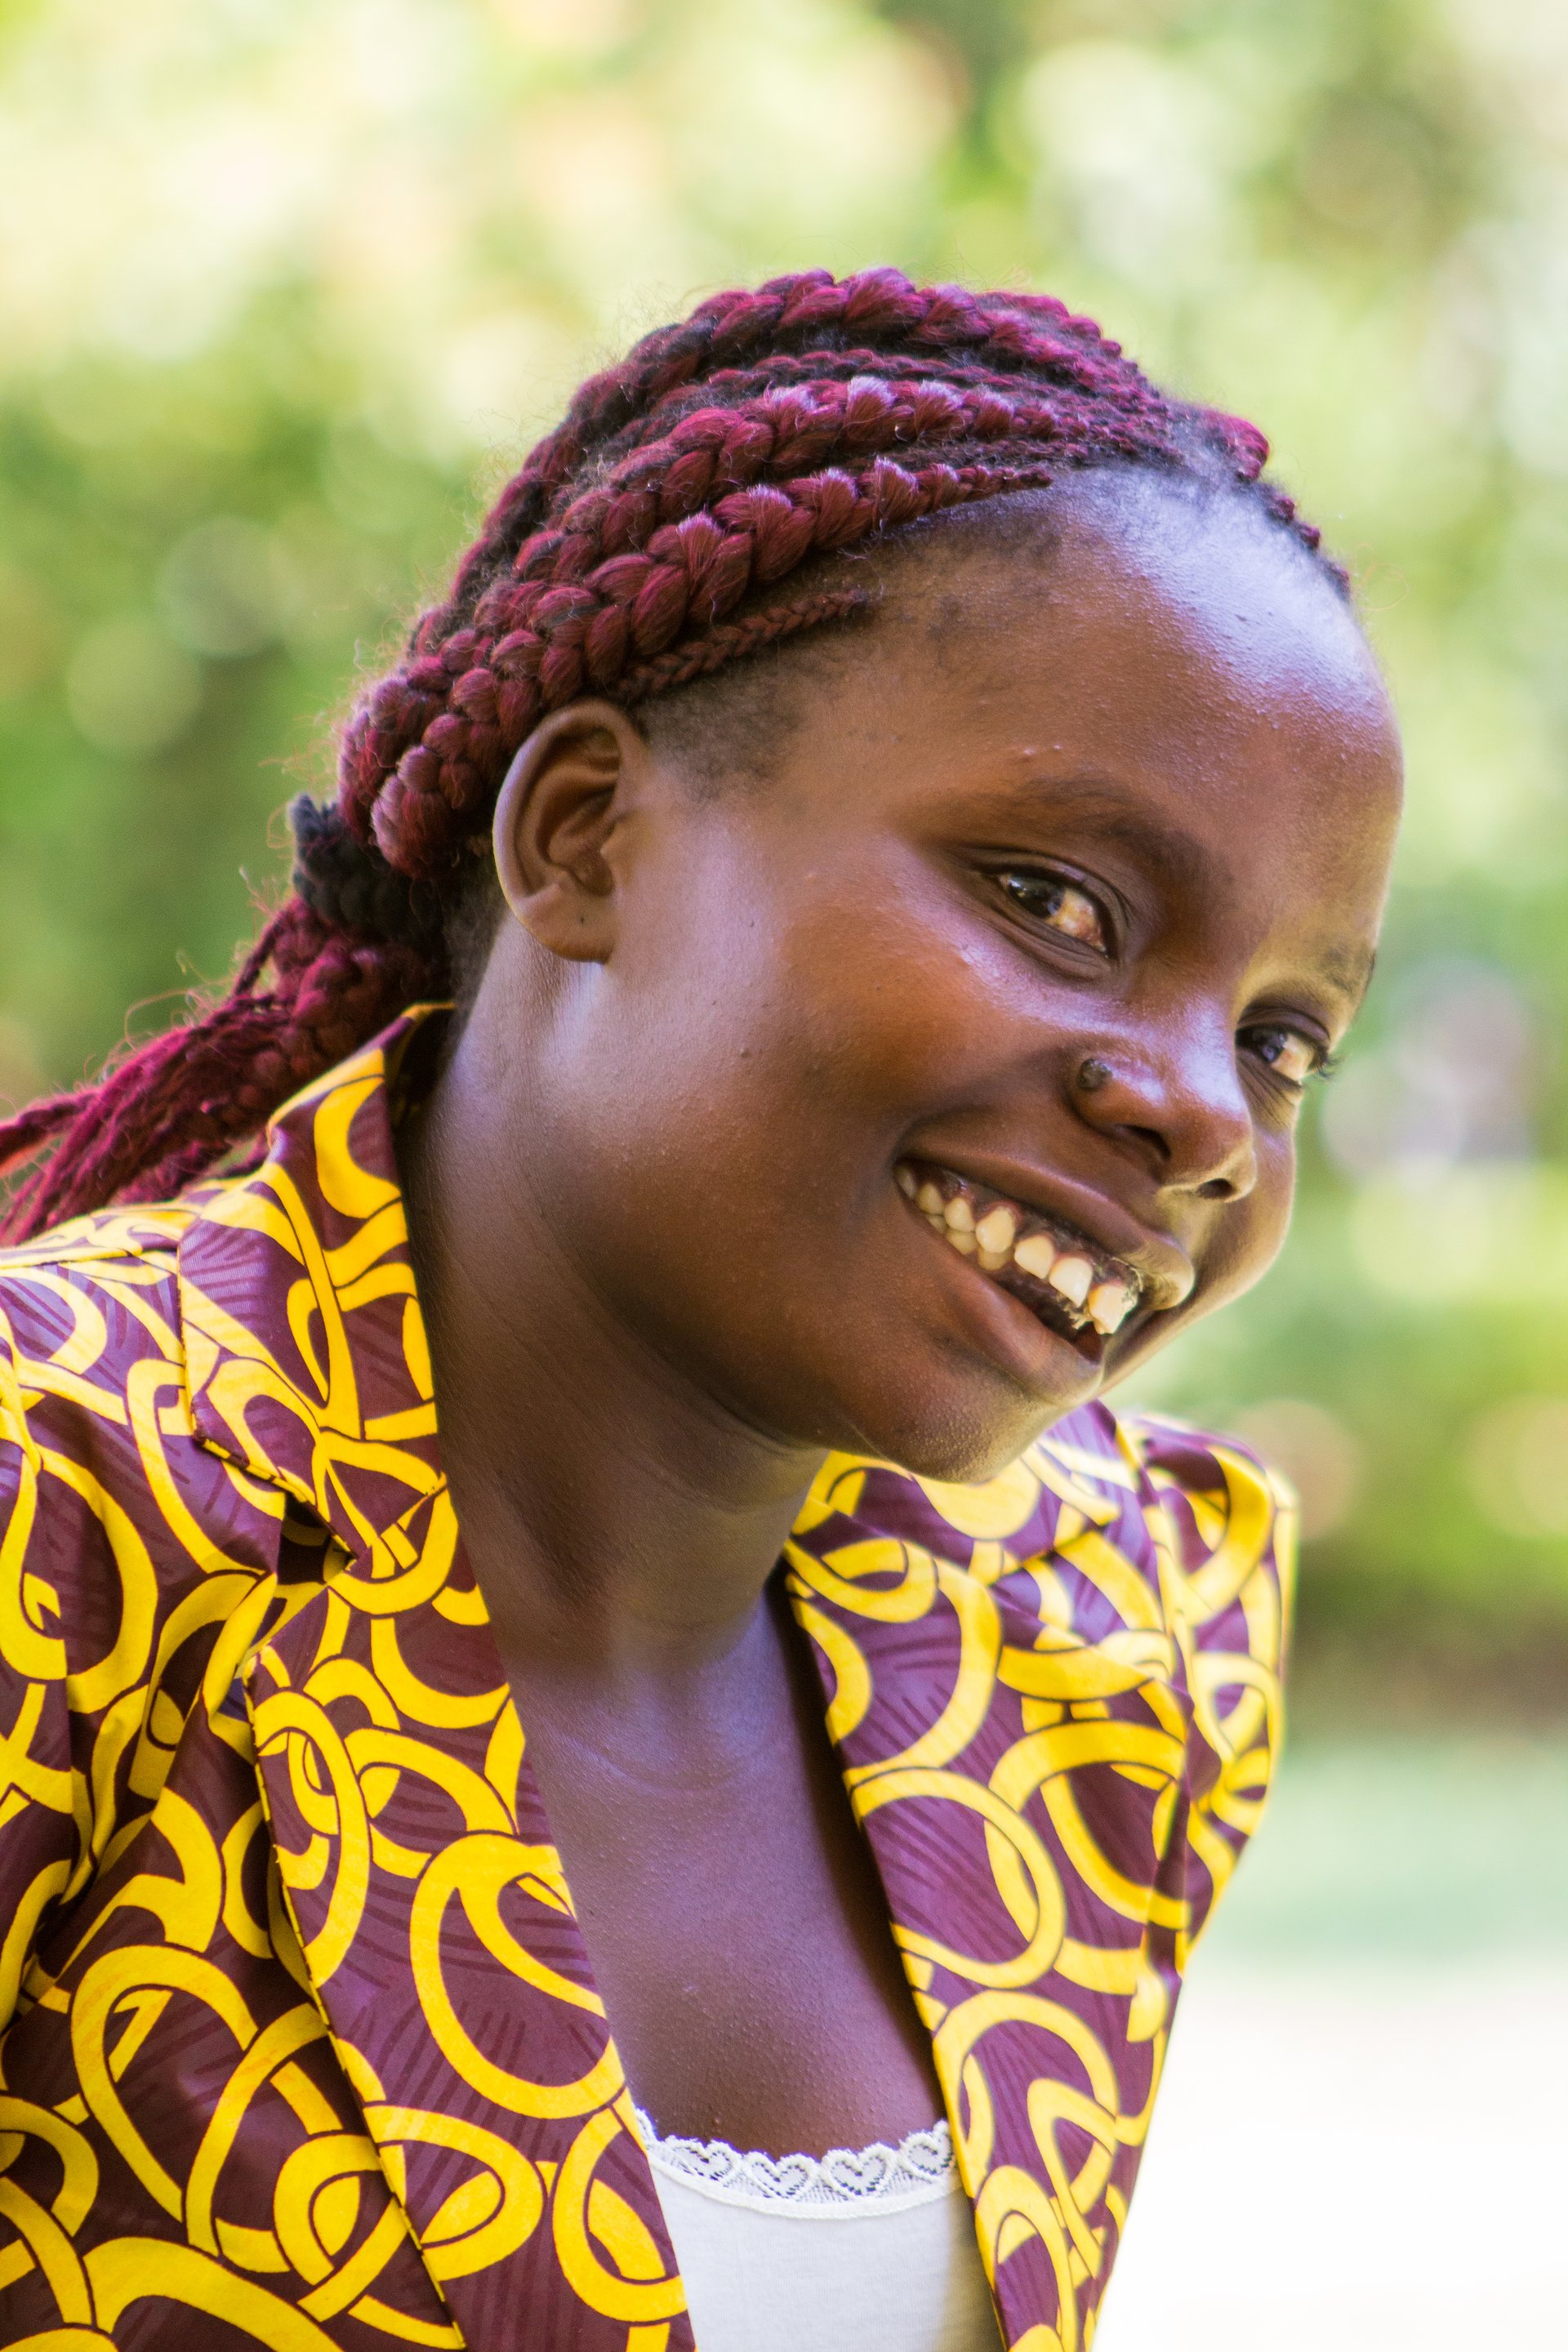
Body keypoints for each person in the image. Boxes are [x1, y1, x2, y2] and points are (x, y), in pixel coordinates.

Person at [0, 267, 1401, 2352]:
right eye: (1057, 903)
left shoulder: (1126, 1629)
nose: (1200, 1112)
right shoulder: (73, 1496)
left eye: (1286, 1040)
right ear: (587, 838)